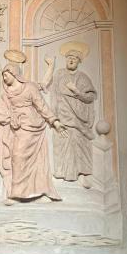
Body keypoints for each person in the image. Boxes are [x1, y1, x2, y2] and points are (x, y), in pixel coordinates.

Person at [0, 63, 67, 203]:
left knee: (20, 156)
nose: (4, 78)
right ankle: (21, 193)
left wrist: (55, 121)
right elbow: (2, 110)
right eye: (3, 76)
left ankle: (25, 194)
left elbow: (41, 106)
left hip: (31, 126)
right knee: (17, 157)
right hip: (17, 126)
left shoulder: (30, 87)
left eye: (6, 75)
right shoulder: (7, 92)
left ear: (14, 73)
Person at [42, 41, 97, 187]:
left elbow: (90, 97)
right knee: (61, 144)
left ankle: (82, 174)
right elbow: (50, 90)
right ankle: (61, 172)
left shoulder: (83, 77)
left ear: (79, 61)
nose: (71, 60)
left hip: (78, 118)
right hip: (61, 116)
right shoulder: (59, 74)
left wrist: (76, 91)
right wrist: (51, 65)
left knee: (79, 144)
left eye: (74, 58)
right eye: (69, 58)